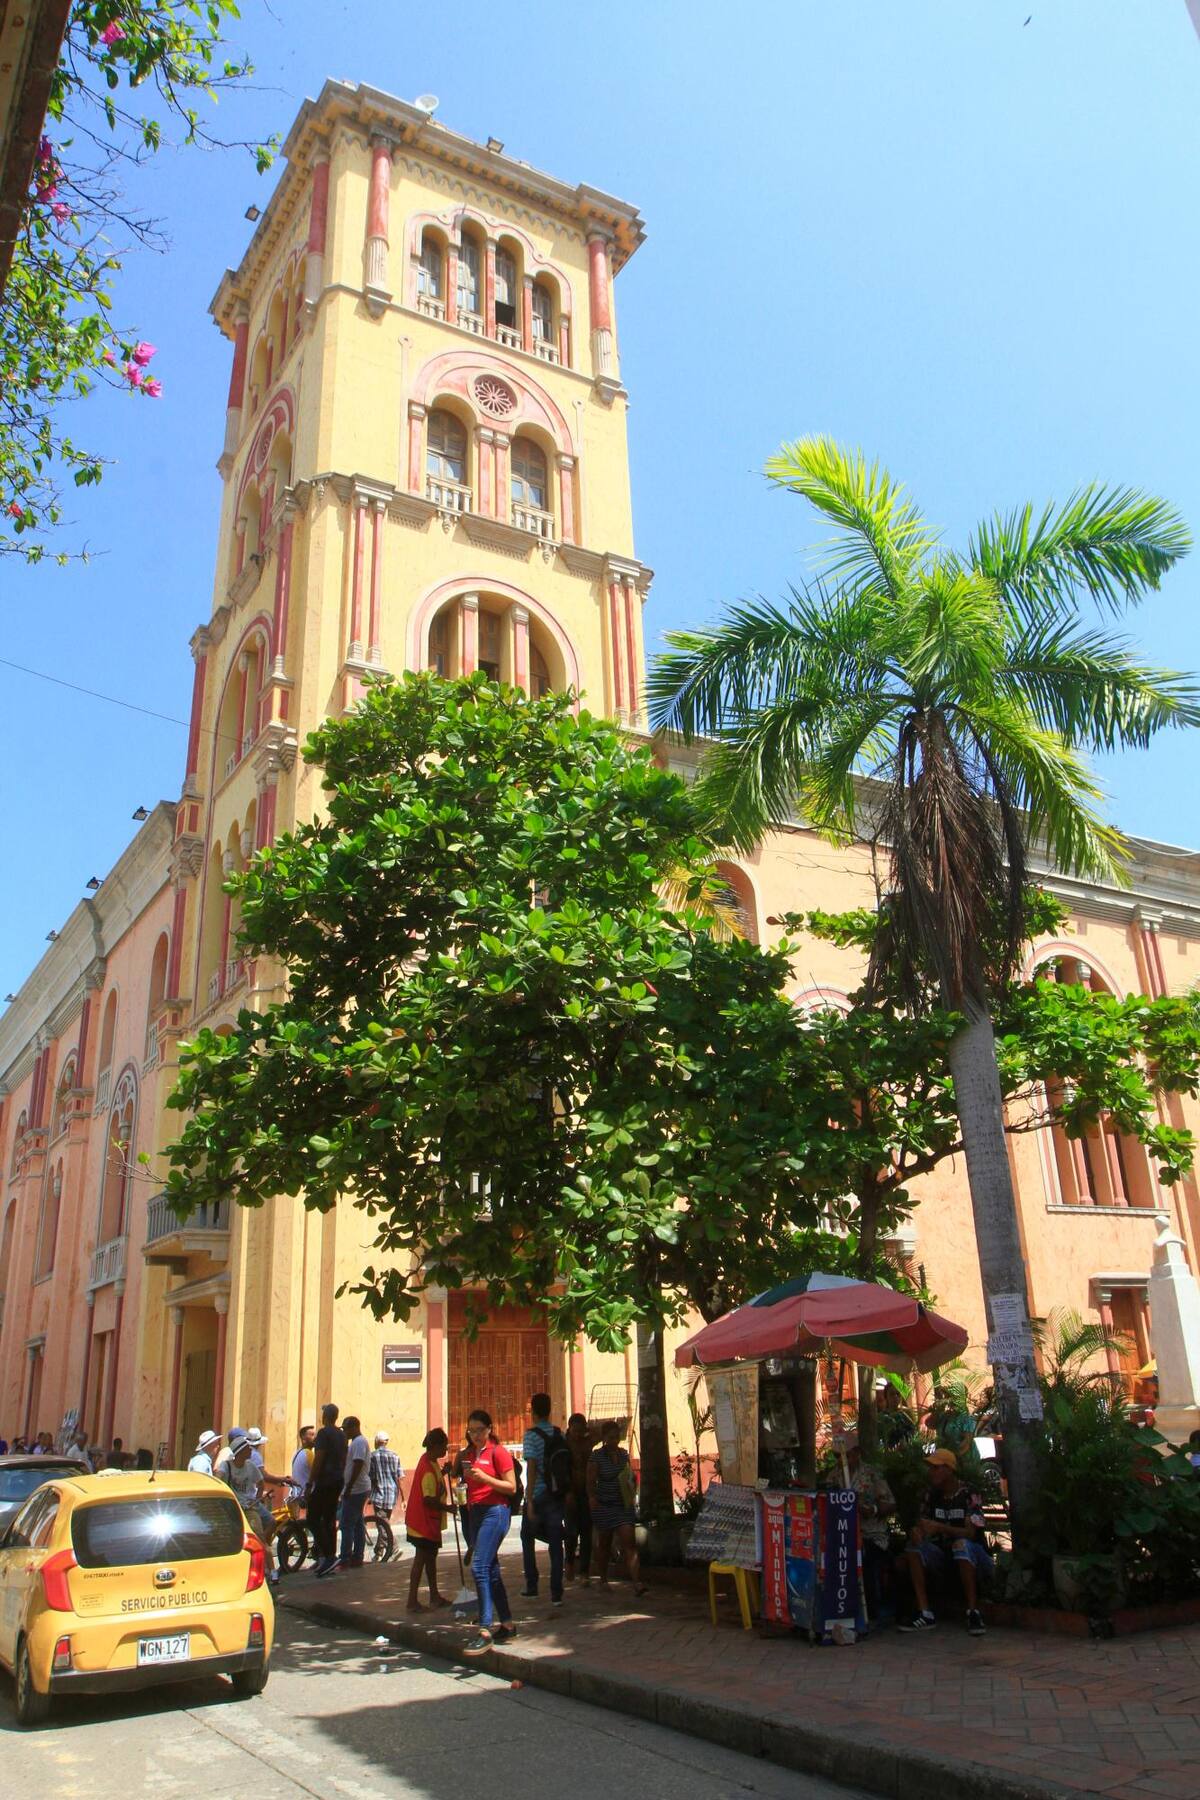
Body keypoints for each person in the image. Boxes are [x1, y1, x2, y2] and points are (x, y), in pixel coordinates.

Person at [899, 1447, 990, 1636]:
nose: (931, 1472)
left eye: (936, 1467)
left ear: (949, 1469)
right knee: (913, 1548)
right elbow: (922, 1523)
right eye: (930, 1468)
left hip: (974, 1556)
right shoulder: (930, 1495)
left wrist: (941, 1528)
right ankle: (925, 1612)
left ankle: (973, 1611)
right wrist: (917, 1531)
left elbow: (972, 1534)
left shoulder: (969, 1494)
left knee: (962, 1545)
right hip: (942, 1555)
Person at [462, 1409, 518, 1654]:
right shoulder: (469, 1455)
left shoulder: (499, 1453)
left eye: (479, 1430)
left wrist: (485, 1478)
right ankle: (507, 1623)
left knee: (479, 1566)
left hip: (496, 1512)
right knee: (491, 1570)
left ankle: (484, 1629)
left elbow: (511, 1487)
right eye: (471, 1430)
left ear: (489, 1429)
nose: (475, 1434)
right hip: (476, 1512)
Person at [824, 1433, 895, 1618]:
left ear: (856, 1453)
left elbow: (890, 1504)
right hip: (842, 1533)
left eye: (845, 1455)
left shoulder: (872, 1474)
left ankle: (871, 1610)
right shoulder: (833, 1476)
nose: (841, 1460)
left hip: (871, 1534)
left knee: (865, 1557)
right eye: (837, 1456)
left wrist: (871, 1509)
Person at [587, 1419, 646, 1595]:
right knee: (604, 1545)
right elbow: (590, 1481)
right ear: (605, 1438)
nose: (614, 1441)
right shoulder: (596, 1456)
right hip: (604, 1505)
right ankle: (603, 1579)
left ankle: (637, 1582)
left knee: (629, 1542)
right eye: (611, 1438)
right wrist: (592, 1498)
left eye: (617, 1437)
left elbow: (629, 1475)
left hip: (622, 1505)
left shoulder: (623, 1454)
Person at [520, 1391, 568, 1605]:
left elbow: (530, 1468)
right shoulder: (559, 1433)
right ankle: (556, 1593)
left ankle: (532, 1584)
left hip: (538, 1494)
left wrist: (529, 1499)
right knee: (556, 1544)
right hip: (556, 1494)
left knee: (526, 1536)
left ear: (534, 1411)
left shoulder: (531, 1436)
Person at [221, 1428, 279, 1584]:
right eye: (247, 1448)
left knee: (259, 1538)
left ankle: (272, 1572)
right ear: (239, 1452)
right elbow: (220, 1482)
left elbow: (260, 1482)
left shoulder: (250, 1466)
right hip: (234, 1510)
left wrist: (257, 1499)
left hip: (249, 1508)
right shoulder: (226, 1467)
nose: (250, 1450)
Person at [405, 1429, 451, 1611]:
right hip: (422, 1523)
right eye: (444, 1446)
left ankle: (434, 1596)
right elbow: (429, 1499)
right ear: (436, 1446)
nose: (446, 1450)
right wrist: (448, 1507)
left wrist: (445, 1472)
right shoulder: (427, 1469)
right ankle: (412, 1601)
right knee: (421, 1560)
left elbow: (435, 1485)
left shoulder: (429, 1462)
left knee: (430, 1559)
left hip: (427, 1522)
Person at [309, 1403, 347, 1578]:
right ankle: (329, 1557)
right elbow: (344, 1459)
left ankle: (328, 1556)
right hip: (338, 1480)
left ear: (325, 1417)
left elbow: (319, 1458)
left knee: (313, 1519)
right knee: (329, 1519)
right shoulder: (341, 1435)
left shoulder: (324, 1434)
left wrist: (311, 1481)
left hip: (325, 1481)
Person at [564, 1412, 597, 1585]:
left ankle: (585, 1571)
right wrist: (567, 1492)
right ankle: (569, 1561)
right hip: (570, 1492)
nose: (577, 1434)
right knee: (570, 1532)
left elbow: (602, 1432)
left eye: (580, 1430)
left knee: (586, 1532)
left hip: (586, 1492)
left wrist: (588, 1432)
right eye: (574, 1430)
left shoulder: (588, 1442)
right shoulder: (564, 1444)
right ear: (569, 1429)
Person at [337, 1416, 372, 1568]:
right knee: (357, 1524)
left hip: (356, 1489)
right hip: (357, 1488)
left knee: (346, 1524)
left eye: (346, 1429)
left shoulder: (358, 1442)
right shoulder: (355, 1443)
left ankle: (345, 1557)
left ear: (354, 1427)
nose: (344, 1432)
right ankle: (357, 1556)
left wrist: (349, 1486)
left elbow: (358, 1464)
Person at [369, 1431, 404, 1522]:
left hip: (378, 1496)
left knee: (382, 1525)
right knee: (385, 1523)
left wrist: (368, 1496)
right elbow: (400, 1478)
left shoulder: (372, 1456)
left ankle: (388, 1536)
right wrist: (404, 1498)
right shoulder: (395, 1456)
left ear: (377, 1441)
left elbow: (371, 1478)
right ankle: (386, 1536)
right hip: (391, 1495)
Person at [290, 1422, 316, 1498]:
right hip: (307, 1495)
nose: (314, 1437)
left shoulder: (297, 1453)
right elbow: (317, 1474)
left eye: (314, 1434)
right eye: (311, 1435)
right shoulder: (309, 1453)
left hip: (297, 1494)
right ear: (303, 1438)